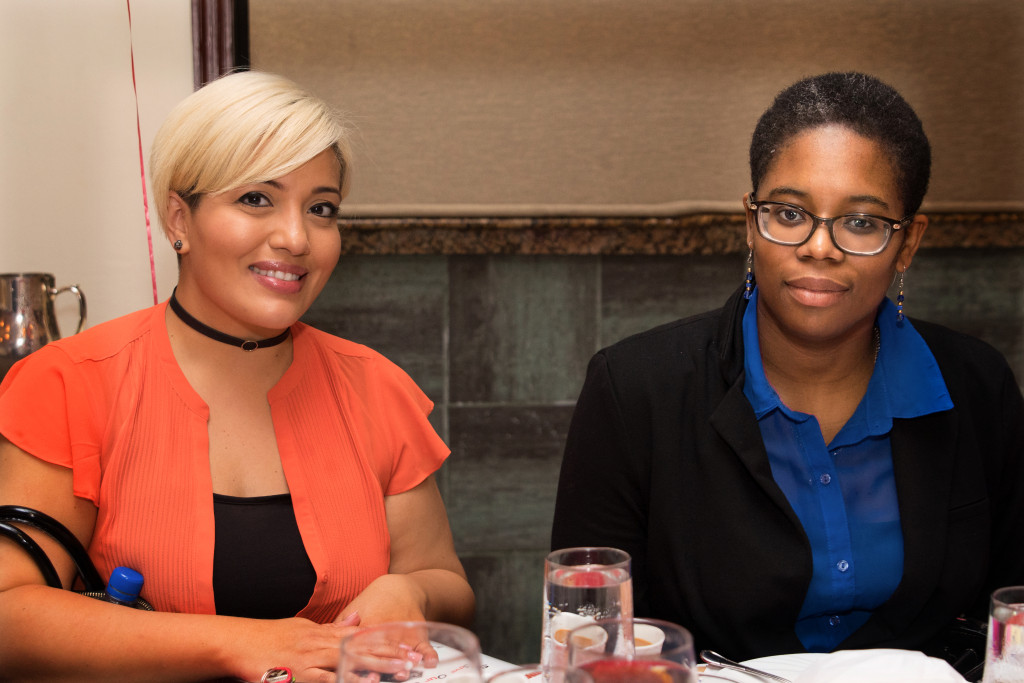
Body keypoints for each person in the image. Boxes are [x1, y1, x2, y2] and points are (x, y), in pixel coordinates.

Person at [0, 71, 474, 682]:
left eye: (321, 209)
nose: (296, 238)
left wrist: (410, 593)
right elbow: (10, 619)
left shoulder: (375, 386)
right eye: (256, 199)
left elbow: (446, 582)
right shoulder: (68, 384)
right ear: (179, 218)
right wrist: (243, 645)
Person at [551, 72, 1024, 662]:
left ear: (907, 243)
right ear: (751, 223)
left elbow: (1011, 615)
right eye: (790, 213)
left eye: (861, 222)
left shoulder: (976, 386)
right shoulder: (634, 389)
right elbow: (589, 635)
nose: (819, 247)